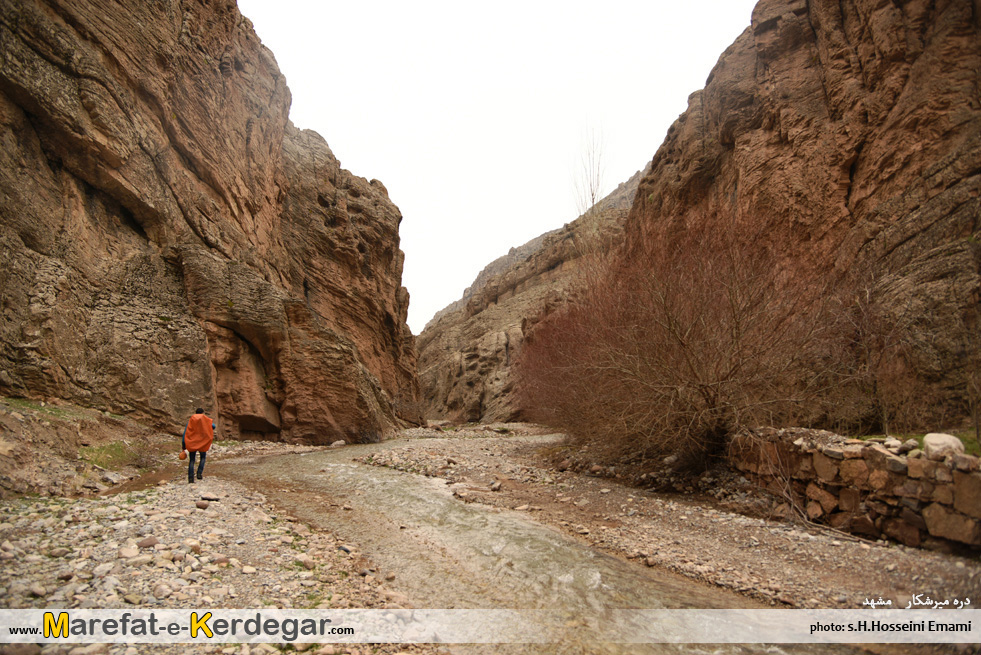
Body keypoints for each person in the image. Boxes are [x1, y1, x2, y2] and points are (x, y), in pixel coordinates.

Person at [182, 407, 215, 483]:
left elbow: (185, 433)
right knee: (203, 457)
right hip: (202, 443)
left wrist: (183, 444)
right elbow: (213, 426)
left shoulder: (191, 421)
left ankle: (190, 478)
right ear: (203, 413)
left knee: (192, 460)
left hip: (192, 443)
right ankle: (199, 473)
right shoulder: (205, 420)